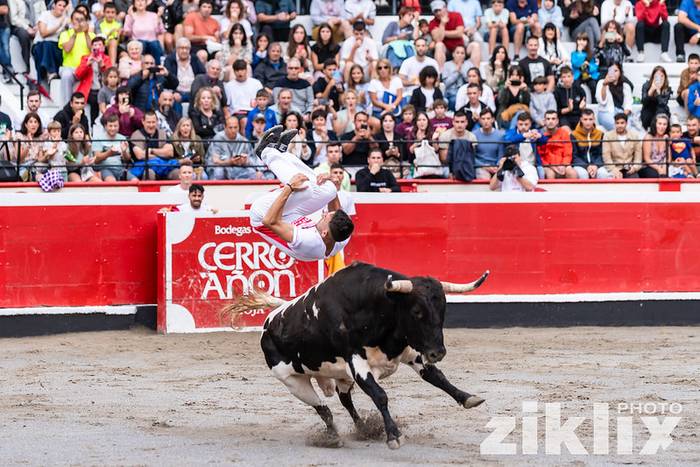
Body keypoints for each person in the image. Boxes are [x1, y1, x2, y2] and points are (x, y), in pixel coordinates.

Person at [249, 126, 354, 262]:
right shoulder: (341, 235)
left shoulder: (309, 242)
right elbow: (334, 203)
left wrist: (289, 187)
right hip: (292, 214)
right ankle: (282, 153)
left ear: (324, 233)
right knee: (329, 189)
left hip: (263, 216)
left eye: (325, 217)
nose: (324, 213)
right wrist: (329, 180)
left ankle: (265, 152)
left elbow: (269, 221)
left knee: (305, 189)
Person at [58, 9, 95, 106]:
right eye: (76, 19)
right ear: (71, 20)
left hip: (86, 68)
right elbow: (67, 49)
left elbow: (93, 50)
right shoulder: (65, 34)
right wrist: (75, 33)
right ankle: (67, 106)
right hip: (69, 68)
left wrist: (86, 33)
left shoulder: (91, 35)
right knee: (66, 75)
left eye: (81, 19)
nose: (79, 22)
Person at [430, 0, 479, 69]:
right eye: (435, 11)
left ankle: (476, 73)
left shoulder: (456, 15)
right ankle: (440, 74)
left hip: (461, 48)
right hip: (446, 50)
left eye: (439, 10)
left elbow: (459, 33)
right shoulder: (432, 23)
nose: (438, 13)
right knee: (439, 45)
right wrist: (442, 24)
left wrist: (441, 32)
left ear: (445, 8)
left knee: (475, 45)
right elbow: (439, 39)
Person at [130, 111, 178, 180]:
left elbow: (170, 152)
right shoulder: (136, 135)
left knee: (177, 173)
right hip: (145, 167)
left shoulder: (163, 133)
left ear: (157, 121)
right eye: (148, 122)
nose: (151, 125)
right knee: (149, 173)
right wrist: (161, 154)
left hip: (164, 167)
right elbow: (140, 155)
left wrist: (152, 151)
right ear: (143, 121)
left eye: (153, 122)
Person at [164, 38, 206, 108]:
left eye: (187, 48)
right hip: (177, 92)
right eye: (182, 48)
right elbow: (166, 79)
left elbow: (202, 75)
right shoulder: (170, 60)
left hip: (193, 93)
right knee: (174, 100)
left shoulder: (194, 59)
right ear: (177, 49)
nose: (184, 51)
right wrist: (173, 92)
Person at [32, 0, 67, 82]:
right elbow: (43, 33)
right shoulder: (45, 15)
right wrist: (58, 26)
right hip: (40, 44)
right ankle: (50, 72)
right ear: (54, 5)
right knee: (46, 45)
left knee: (52, 47)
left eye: (64, 6)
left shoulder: (65, 19)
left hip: (56, 46)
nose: (62, 8)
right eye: (60, 5)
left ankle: (48, 72)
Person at [571, 108, 611, 179]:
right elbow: (574, 156)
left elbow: (602, 153)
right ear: (581, 119)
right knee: (583, 174)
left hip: (597, 164)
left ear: (594, 119)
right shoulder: (574, 135)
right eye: (585, 119)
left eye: (590, 119)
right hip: (580, 165)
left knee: (603, 174)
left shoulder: (600, 134)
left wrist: (596, 165)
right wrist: (587, 166)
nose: (588, 122)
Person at [122, 0, 164, 66]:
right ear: (134, 3)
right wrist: (132, 19)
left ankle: (157, 68)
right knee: (141, 43)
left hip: (152, 44)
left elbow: (160, 31)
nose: (140, 3)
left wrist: (158, 17)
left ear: (146, 3)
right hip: (138, 44)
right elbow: (127, 33)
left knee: (154, 44)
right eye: (138, 1)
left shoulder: (154, 15)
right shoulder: (130, 16)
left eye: (142, 0)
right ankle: (140, 68)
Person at [537, 109, 576, 179]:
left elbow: (568, 153)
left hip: (563, 164)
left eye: (553, 119)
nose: (550, 121)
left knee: (571, 173)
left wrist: (564, 165)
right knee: (550, 174)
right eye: (548, 119)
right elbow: (540, 156)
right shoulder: (540, 135)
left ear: (557, 121)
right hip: (548, 165)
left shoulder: (564, 133)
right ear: (544, 121)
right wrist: (551, 166)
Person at [602, 112, 643, 178]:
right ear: (614, 124)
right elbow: (606, 157)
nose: (619, 125)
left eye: (622, 123)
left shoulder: (634, 136)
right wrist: (613, 170)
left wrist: (635, 167)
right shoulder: (608, 136)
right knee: (612, 179)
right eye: (617, 123)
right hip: (615, 168)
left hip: (629, 168)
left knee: (635, 180)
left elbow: (638, 157)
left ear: (626, 123)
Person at [595, 63, 632, 131]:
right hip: (605, 113)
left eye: (616, 71)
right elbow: (602, 102)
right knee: (616, 126)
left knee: (627, 127)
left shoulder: (626, 86)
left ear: (620, 72)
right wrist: (604, 85)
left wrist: (622, 117)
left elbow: (628, 105)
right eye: (611, 70)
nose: (613, 73)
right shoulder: (601, 82)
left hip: (622, 113)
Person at [93, 113, 129, 181]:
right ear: (105, 126)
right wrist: (109, 153)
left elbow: (127, 159)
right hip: (105, 169)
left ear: (119, 126)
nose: (113, 128)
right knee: (111, 181)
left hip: (120, 169)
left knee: (135, 181)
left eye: (115, 126)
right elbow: (96, 159)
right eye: (110, 126)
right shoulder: (98, 138)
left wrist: (124, 152)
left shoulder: (122, 138)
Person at [341, 111, 377, 176]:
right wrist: (356, 138)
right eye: (359, 121)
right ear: (354, 122)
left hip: (367, 168)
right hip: (349, 168)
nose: (362, 123)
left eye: (364, 121)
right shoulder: (346, 136)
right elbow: (346, 151)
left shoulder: (372, 137)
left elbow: (376, 150)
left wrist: (369, 138)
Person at [473, 108, 505, 180]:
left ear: (493, 119)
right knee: (484, 176)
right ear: (480, 120)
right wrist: (484, 166)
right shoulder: (474, 135)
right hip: (480, 167)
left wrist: (496, 166)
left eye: (488, 118)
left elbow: (500, 155)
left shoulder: (499, 135)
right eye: (483, 119)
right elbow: (472, 157)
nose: (486, 121)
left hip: (495, 166)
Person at [641, 66, 672, 131]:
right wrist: (652, 89)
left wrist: (658, 91)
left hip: (661, 110)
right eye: (657, 76)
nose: (659, 78)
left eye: (662, 76)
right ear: (653, 77)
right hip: (648, 109)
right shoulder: (646, 85)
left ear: (665, 77)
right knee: (647, 114)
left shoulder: (667, 88)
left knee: (661, 111)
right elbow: (644, 102)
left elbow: (663, 104)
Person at [640, 113, 669, 178]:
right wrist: (659, 169)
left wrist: (664, 167)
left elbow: (668, 158)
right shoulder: (648, 137)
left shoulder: (666, 137)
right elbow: (647, 159)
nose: (662, 127)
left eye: (664, 124)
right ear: (655, 124)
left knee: (669, 174)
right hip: (649, 166)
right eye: (659, 123)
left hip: (663, 165)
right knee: (655, 175)